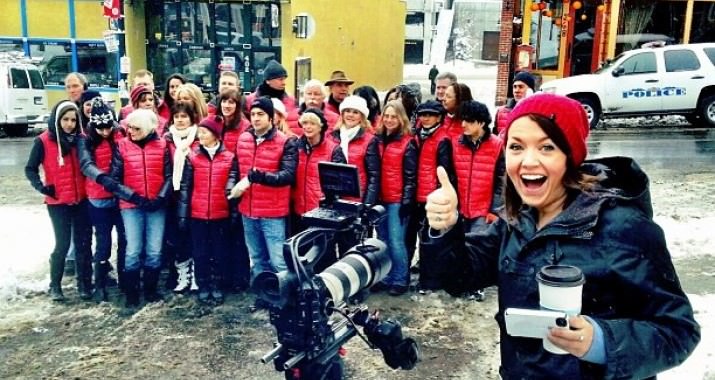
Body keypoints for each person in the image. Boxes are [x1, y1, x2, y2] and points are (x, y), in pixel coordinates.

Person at [424, 93, 700, 378]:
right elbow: (458, 278)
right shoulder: (516, 221)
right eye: (516, 147)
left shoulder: (624, 227)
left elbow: (678, 331)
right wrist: (447, 227)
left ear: (570, 156)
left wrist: (601, 342)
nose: (528, 161)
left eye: (546, 147)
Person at [25, 100, 93, 301]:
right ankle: (55, 285)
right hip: (58, 202)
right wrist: (41, 186)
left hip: (82, 199)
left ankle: (84, 284)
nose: (69, 124)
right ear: (57, 118)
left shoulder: (82, 139)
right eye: (65, 119)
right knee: (62, 244)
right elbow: (30, 168)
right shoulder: (43, 140)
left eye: (73, 120)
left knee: (83, 244)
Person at [231, 97, 297, 295]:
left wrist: (258, 176)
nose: (256, 118)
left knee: (277, 259)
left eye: (261, 114)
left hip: (272, 211)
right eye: (253, 114)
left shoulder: (285, 142)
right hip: (248, 209)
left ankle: (286, 296)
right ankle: (264, 294)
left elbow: (287, 175)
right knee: (257, 257)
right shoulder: (244, 138)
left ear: (271, 118)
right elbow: (235, 167)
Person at [110, 108, 172, 307]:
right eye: (129, 127)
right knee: (133, 249)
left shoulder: (162, 145)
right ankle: (132, 292)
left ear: (146, 128)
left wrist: (160, 198)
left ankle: (151, 289)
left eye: (136, 128)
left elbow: (170, 176)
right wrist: (135, 198)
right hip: (131, 204)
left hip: (156, 204)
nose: (131, 131)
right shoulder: (122, 146)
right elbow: (115, 180)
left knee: (154, 249)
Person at [178, 116, 238, 304]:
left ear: (215, 135)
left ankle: (217, 284)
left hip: (220, 213)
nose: (200, 135)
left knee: (220, 251)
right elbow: (186, 186)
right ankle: (203, 284)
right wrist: (183, 213)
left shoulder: (229, 158)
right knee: (200, 252)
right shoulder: (193, 157)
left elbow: (233, 182)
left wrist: (232, 211)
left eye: (204, 132)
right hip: (198, 213)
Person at [77, 98, 127, 302]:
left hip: (120, 197)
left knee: (124, 240)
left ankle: (126, 281)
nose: (105, 132)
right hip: (98, 198)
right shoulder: (86, 138)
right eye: (101, 130)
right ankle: (100, 283)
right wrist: (103, 179)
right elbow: (85, 164)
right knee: (103, 242)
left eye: (108, 128)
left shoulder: (119, 133)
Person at [291, 109, 346, 273]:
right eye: (305, 123)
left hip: (322, 212)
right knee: (302, 253)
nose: (307, 127)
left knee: (325, 255)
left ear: (321, 126)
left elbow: (340, 182)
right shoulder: (296, 147)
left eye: (312, 123)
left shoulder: (333, 149)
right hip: (299, 210)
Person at [330, 95, 381, 264]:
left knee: (353, 248)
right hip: (336, 201)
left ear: (362, 116)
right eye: (347, 111)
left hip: (357, 201)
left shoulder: (369, 140)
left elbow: (374, 175)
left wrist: (367, 205)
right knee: (333, 243)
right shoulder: (333, 137)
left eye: (355, 112)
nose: (350, 115)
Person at [374, 100, 417, 296]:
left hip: (397, 199)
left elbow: (410, 176)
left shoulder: (407, 142)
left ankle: (400, 278)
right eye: (387, 116)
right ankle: (387, 276)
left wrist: (406, 202)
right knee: (382, 240)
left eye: (394, 116)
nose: (390, 120)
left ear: (401, 119)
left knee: (396, 240)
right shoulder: (379, 139)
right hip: (381, 197)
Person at [409, 100, 452, 292]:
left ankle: (429, 281)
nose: (425, 118)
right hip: (415, 195)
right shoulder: (416, 136)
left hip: (431, 196)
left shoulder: (443, 139)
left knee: (430, 240)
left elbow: (444, 170)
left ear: (439, 117)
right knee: (413, 237)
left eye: (430, 115)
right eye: (422, 115)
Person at [215, 88, 251, 291]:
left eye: (232, 102)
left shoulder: (244, 127)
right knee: (223, 234)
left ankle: (240, 278)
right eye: (224, 101)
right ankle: (225, 276)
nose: (227, 106)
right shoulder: (218, 124)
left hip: (237, 184)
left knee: (238, 235)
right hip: (217, 182)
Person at [164, 102, 200, 293]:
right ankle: (182, 274)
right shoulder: (167, 139)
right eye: (177, 116)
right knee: (178, 237)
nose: (180, 120)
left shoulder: (198, 139)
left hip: (194, 195)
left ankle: (196, 275)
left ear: (191, 118)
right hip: (174, 196)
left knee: (194, 236)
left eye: (184, 116)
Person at [244, 60, 299, 128]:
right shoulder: (249, 100)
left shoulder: (291, 100)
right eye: (280, 79)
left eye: (284, 79)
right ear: (268, 80)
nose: (284, 83)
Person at [494, 71, 536, 137]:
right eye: (515, 87)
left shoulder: (537, 112)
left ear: (530, 90)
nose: (516, 90)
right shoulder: (501, 111)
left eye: (521, 87)